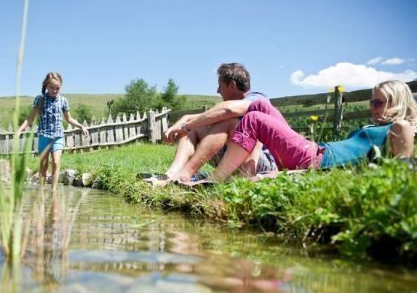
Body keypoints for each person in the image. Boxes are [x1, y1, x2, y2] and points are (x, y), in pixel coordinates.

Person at [198, 79, 416, 183]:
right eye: (371, 101)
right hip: (315, 151)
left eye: (378, 102)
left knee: (255, 118)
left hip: (316, 159)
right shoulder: (375, 128)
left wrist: (301, 173)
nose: (371, 107)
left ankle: (216, 180)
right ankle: (238, 173)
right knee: (261, 106)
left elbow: (399, 174)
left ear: (397, 102)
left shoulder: (400, 127)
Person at [153, 63, 276, 185]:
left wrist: (186, 125)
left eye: (220, 86)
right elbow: (205, 117)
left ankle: (186, 174)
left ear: (232, 85)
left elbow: (228, 110)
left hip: (260, 163)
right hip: (235, 158)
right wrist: (184, 121)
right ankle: (171, 174)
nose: (217, 90)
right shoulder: (233, 106)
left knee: (227, 123)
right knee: (195, 128)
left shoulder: (258, 99)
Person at [19, 72, 89, 190]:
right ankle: (41, 191)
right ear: (46, 85)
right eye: (52, 87)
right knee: (43, 165)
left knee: (56, 162)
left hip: (58, 136)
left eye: (57, 88)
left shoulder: (63, 101)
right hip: (44, 136)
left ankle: (53, 191)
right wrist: (20, 129)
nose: (55, 90)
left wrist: (81, 126)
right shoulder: (40, 99)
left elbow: (68, 118)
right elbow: (30, 117)